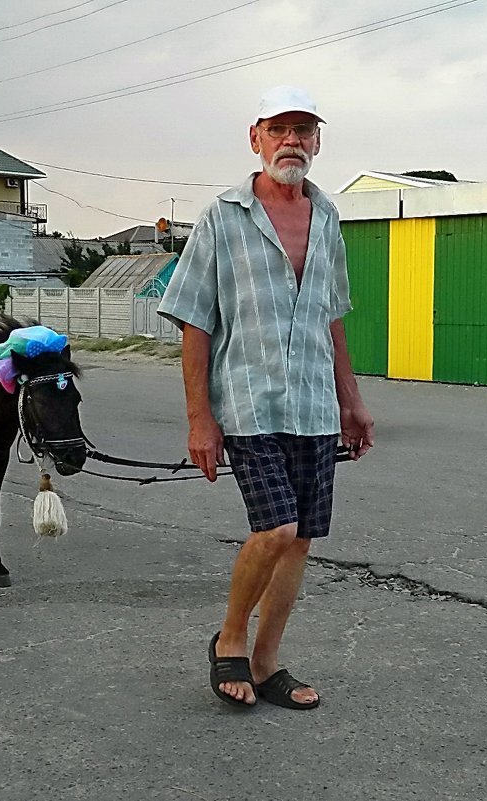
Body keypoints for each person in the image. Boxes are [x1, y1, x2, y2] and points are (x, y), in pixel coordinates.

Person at [157, 86, 374, 710]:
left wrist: (352, 403)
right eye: (280, 129)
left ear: (317, 142)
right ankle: (229, 639)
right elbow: (195, 319)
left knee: (301, 537)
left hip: (314, 406)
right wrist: (200, 418)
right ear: (256, 137)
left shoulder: (328, 217)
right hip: (248, 402)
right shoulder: (222, 216)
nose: (292, 142)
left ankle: (267, 661)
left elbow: (331, 317)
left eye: (304, 131)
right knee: (275, 528)